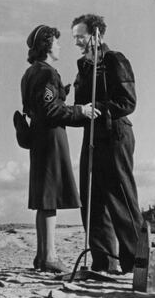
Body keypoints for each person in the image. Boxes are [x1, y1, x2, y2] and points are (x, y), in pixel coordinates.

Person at [21, 24, 98, 273]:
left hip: (38, 138)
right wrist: (81, 110)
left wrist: (61, 93)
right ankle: (50, 257)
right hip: (51, 139)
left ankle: (42, 256)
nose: (60, 45)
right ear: (47, 45)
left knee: (45, 199)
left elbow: (41, 104)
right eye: (56, 41)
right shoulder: (47, 73)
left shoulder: (30, 73)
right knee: (50, 197)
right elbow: (50, 110)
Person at [71, 14, 143, 274]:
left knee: (121, 197)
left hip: (115, 135)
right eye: (74, 37)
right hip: (92, 137)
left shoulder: (114, 60)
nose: (77, 42)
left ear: (96, 34)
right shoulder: (85, 67)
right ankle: (104, 262)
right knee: (92, 199)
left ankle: (136, 263)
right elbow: (81, 104)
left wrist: (97, 108)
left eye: (81, 36)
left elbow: (127, 102)